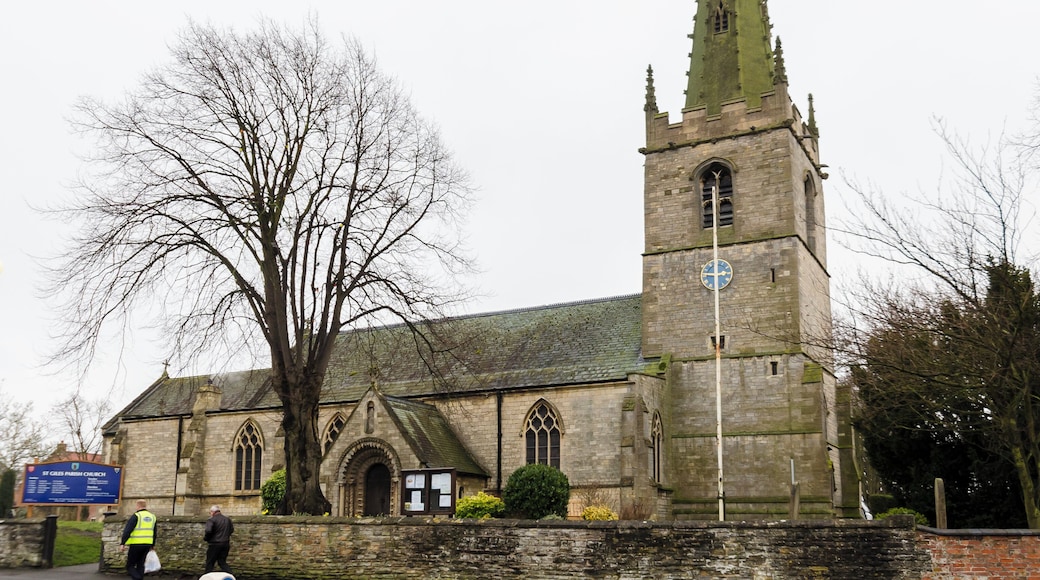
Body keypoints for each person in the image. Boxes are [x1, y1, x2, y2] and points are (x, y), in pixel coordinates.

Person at [120, 499, 157, 580]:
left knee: (130, 566)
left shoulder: (136, 516)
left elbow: (128, 530)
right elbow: (154, 532)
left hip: (136, 544)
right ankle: (139, 577)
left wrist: (123, 543)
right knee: (140, 564)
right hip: (147, 544)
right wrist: (153, 544)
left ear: (138, 506)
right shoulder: (152, 517)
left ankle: (138, 578)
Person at [204, 505, 234, 574]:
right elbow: (231, 530)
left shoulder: (211, 520)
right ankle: (231, 575)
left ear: (212, 512)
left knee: (210, 563)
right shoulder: (227, 519)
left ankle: (207, 577)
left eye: (210, 512)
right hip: (225, 543)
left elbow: (208, 531)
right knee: (222, 562)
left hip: (214, 544)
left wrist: (206, 539)